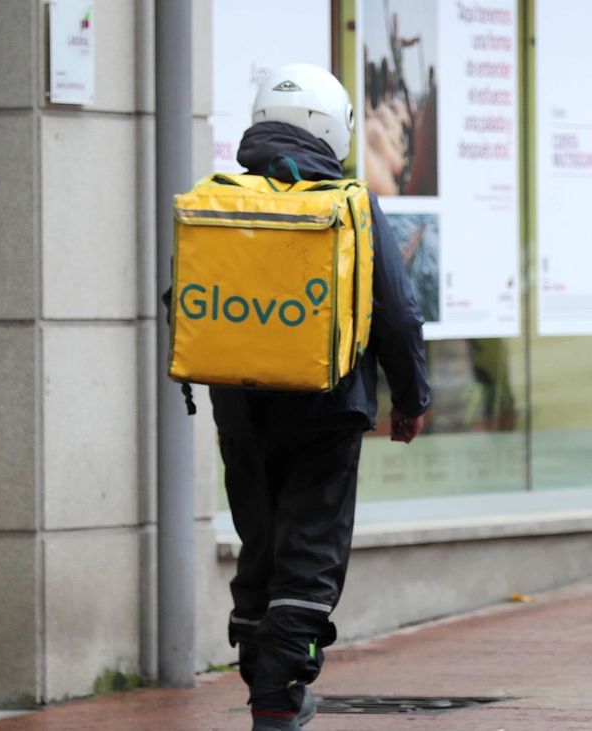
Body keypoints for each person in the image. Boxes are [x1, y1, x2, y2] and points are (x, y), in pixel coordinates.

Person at [214, 63, 431, 731]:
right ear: (333, 129)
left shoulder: (223, 200)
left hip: (241, 406)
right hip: (327, 408)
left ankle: (262, 679)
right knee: (311, 550)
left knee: (261, 541)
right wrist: (411, 397)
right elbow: (397, 312)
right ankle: (279, 693)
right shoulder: (351, 204)